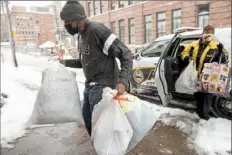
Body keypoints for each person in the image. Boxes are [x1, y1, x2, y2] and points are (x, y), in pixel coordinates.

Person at [59, 1, 133, 136]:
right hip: (90, 86)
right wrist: (64, 62)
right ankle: (101, 148)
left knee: (102, 128)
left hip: (104, 86)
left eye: (68, 22)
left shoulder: (98, 31)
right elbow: (84, 62)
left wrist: (122, 81)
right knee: (88, 122)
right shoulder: (81, 36)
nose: (66, 26)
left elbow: (126, 54)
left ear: (77, 18)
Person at [181, 25, 227, 120]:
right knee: (198, 95)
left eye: (211, 33)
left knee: (207, 97)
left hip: (209, 78)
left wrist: (222, 53)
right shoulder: (194, 44)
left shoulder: (217, 46)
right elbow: (184, 53)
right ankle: (200, 112)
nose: (208, 35)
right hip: (195, 75)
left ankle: (204, 116)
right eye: (207, 33)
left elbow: (226, 59)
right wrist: (187, 58)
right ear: (203, 33)